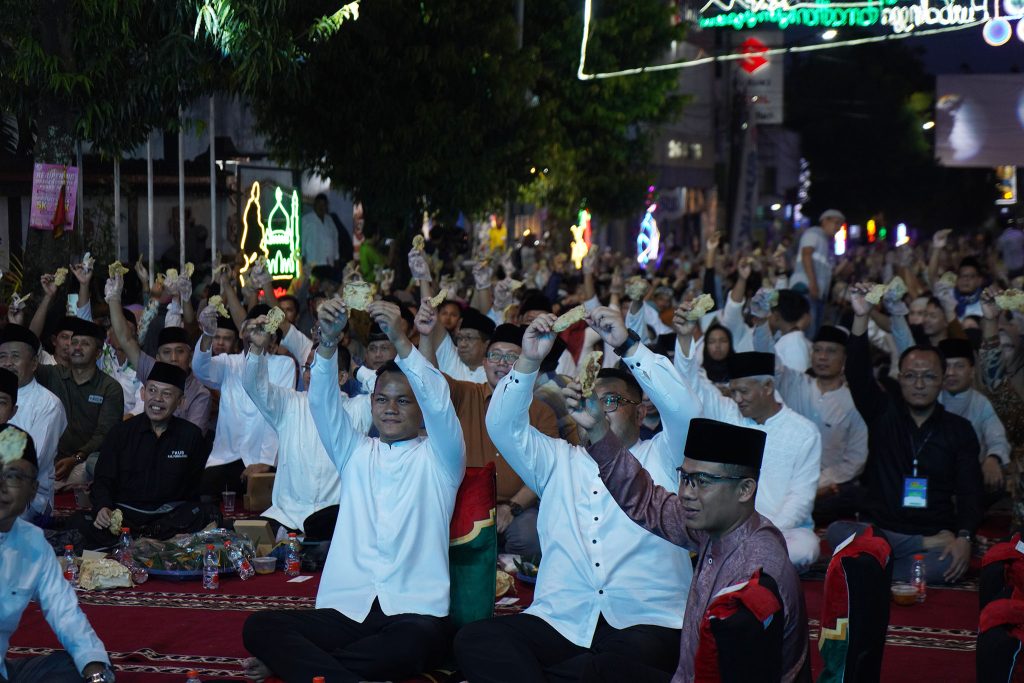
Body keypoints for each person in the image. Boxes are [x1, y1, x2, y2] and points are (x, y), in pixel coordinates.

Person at [455, 309, 699, 681]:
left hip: (647, 619)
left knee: (606, 667)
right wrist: (529, 359)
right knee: (475, 640)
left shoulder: (664, 456)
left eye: (611, 402)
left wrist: (629, 345)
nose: (597, 410)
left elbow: (686, 413)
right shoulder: (556, 460)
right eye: (590, 399)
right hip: (563, 620)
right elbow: (502, 424)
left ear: (641, 411)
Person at [242, 298, 464, 682]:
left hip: (413, 614)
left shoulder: (441, 458)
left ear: (420, 408)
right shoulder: (355, 452)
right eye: (381, 399)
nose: (389, 408)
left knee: (410, 648)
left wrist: (402, 339)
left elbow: (440, 402)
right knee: (259, 627)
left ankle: (306, 668)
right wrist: (327, 345)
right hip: (348, 609)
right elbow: (324, 405)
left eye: (402, 400)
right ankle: (334, 673)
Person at [578, 417, 809, 682]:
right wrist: (597, 429)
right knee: (602, 668)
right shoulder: (720, 528)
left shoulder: (754, 577)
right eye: (685, 477)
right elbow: (646, 500)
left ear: (745, 489)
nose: (686, 493)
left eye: (702, 481)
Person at [827, 283, 983, 584]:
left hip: (934, 529)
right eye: (911, 376)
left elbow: (970, 490)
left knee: (946, 563)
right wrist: (861, 316)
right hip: (885, 528)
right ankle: (894, 558)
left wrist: (964, 537)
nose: (919, 384)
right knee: (838, 532)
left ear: (941, 381)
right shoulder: (884, 414)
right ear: (900, 378)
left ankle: (875, 565)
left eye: (928, 377)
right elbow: (858, 375)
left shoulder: (958, 429)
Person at [675, 312, 821, 569]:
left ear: (767, 387)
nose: (738, 398)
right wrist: (685, 337)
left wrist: (759, 534)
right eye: (733, 392)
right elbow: (693, 384)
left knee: (805, 547)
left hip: (779, 531)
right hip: (727, 526)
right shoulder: (729, 414)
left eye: (743, 391)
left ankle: (740, 558)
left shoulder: (804, 432)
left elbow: (800, 499)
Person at [420, 312, 560, 557]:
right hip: (465, 500)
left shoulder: (541, 412)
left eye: (511, 357)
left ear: (526, 364)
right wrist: (426, 335)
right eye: (495, 355)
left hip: (518, 506)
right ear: (484, 363)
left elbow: (545, 471)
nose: (502, 363)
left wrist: (512, 507)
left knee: (529, 539)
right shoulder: (465, 394)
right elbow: (429, 380)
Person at [0, 423, 115, 683]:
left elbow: (64, 611)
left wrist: (94, 668)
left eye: (14, 475)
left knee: (86, 667)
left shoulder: (32, 543)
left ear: (32, 488)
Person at [242, 328, 370, 540]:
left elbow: (386, 389)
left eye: (320, 368)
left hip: (334, 518)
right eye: (308, 367)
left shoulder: (358, 409)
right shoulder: (290, 403)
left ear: (341, 377)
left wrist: (359, 372)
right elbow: (253, 385)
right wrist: (256, 348)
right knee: (241, 537)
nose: (311, 375)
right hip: (286, 516)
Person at [77, 363, 210, 547]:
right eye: (152, 390)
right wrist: (103, 508)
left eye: (167, 394)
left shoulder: (191, 436)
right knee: (80, 522)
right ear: (142, 393)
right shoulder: (120, 432)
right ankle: (155, 542)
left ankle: (138, 541)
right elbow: (103, 480)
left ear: (181, 402)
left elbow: (196, 490)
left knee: (206, 513)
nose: (157, 399)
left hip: (169, 517)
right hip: (126, 515)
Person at [757, 324, 869, 526]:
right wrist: (761, 323)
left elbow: (855, 460)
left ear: (845, 358)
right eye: (817, 350)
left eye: (831, 351)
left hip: (830, 490)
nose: (822, 357)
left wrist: (817, 483)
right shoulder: (795, 383)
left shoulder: (855, 401)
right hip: (785, 484)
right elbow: (767, 359)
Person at [192, 305, 296, 500]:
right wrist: (207, 334)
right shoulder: (228, 363)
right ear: (241, 332)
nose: (254, 333)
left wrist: (265, 462)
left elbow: (279, 414)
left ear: (272, 338)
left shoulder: (284, 365)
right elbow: (200, 369)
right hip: (225, 458)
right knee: (206, 502)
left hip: (263, 459)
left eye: (261, 328)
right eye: (250, 327)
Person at [105, 273, 211, 433]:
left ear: (190, 357)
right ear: (158, 357)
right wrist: (114, 299)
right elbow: (126, 339)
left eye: (180, 351)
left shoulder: (200, 393)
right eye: (167, 352)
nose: (173, 358)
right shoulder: (151, 369)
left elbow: (192, 440)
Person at [35, 319, 124, 486]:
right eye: (74, 342)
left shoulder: (110, 387)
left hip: (85, 462)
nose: (76, 347)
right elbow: (26, 360)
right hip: (49, 460)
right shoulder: (53, 375)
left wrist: (76, 458)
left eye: (84, 344)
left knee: (97, 464)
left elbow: (105, 434)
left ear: (98, 353)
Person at [0, 325, 66, 523]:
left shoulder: (48, 404)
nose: (7, 363)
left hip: (29, 496)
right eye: (2, 356)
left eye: (15, 356)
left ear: (34, 363)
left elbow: (32, 462)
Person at [937, 337, 1009, 499]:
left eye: (959, 366)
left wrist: (993, 458)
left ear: (972, 370)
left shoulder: (982, 403)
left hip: (969, 480)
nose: (951, 373)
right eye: (946, 366)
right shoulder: (930, 400)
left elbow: (997, 439)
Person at [790, 208, 843, 336]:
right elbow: (806, 254)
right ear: (824, 221)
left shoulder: (826, 242)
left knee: (812, 332)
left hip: (815, 293)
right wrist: (812, 283)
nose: (838, 228)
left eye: (840, 225)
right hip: (806, 289)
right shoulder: (814, 233)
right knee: (808, 331)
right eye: (836, 223)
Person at [435, 306, 493, 383]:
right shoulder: (451, 357)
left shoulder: (495, 372)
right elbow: (431, 318)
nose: (462, 344)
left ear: (486, 344)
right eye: (460, 338)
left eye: (469, 338)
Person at [302, 193, 342, 268]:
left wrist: (336, 258)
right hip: (313, 263)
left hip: (329, 263)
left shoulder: (329, 220)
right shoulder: (306, 220)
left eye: (323, 205)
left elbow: (335, 239)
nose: (321, 207)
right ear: (314, 205)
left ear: (326, 206)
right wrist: (301, 259)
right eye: (319, 204)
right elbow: (302, 241)